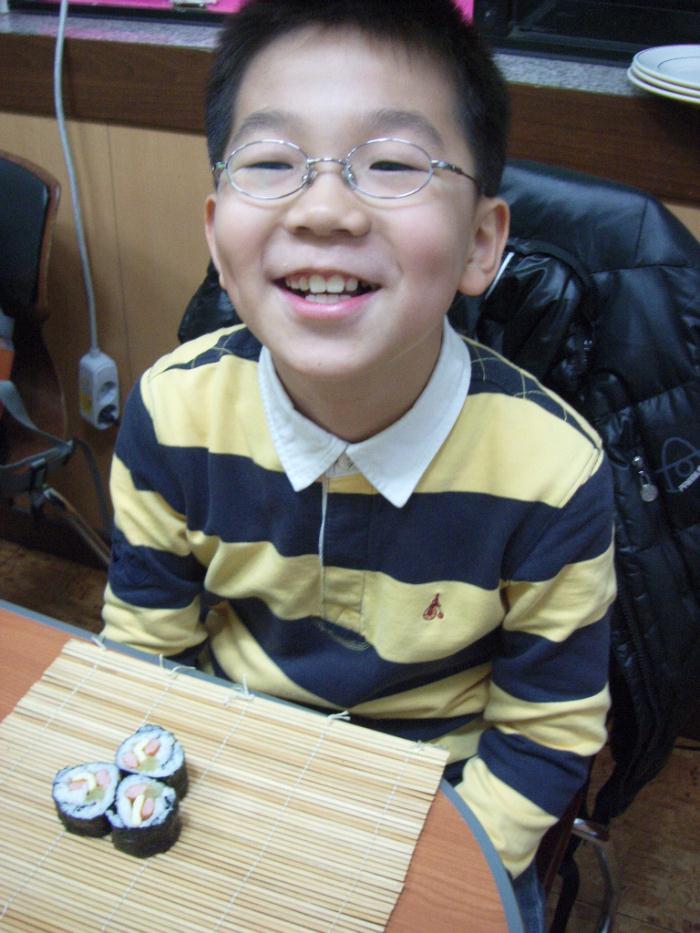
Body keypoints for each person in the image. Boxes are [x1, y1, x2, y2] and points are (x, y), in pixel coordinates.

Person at [102, 1, 616, 928]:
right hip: (232, 775)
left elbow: (544, 730)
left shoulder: (554, 470)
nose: (326, 210)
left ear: (481, 243)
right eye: (271, 162)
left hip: (443, 806)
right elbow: (148, 655)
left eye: (392, 164)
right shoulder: (173, 412)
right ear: (217, 238)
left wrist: (424, 878)